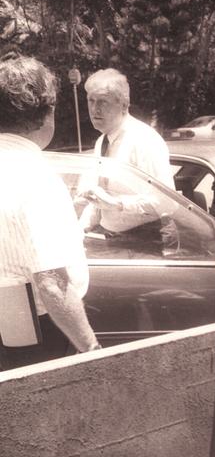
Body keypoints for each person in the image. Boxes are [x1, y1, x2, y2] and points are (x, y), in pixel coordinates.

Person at [0, 55, 99, 370]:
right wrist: (91, 349)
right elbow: (52, 283)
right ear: (47, 112)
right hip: (30, 342)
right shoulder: (36, 177)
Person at [78, 68, 177, 251]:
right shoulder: (102, 141)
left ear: (124, 105)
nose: (95, 109)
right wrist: (80, 228)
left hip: (147, 240)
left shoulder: (144, 140)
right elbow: (100, 198)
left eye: (103, 102)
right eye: (91, 101)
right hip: (116, 240)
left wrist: (118, 204)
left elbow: (167, 201)